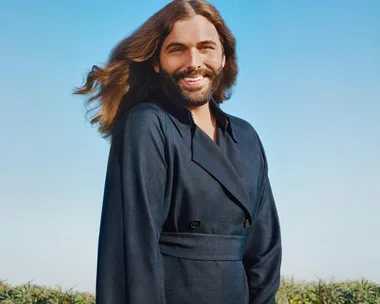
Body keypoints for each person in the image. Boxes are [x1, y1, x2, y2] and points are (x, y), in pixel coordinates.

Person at [74, 0, 282, 303]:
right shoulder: (147, 125)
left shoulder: (247, 137)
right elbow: (133, 252)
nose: (193, 61)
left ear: (223, 57)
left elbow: (264, 250)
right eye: (177, 49)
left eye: (206, 47)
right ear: (157, 60)